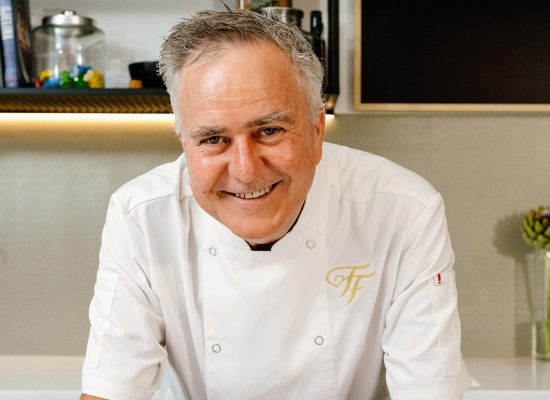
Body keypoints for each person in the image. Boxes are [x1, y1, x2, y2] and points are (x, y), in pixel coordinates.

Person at [81, 8, 471, 400]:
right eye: (213, 139)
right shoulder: (141, 217)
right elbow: (110, 388)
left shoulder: (404, 211)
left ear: (317, 131)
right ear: (184, 141)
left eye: (269, 131)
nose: (246, 171)